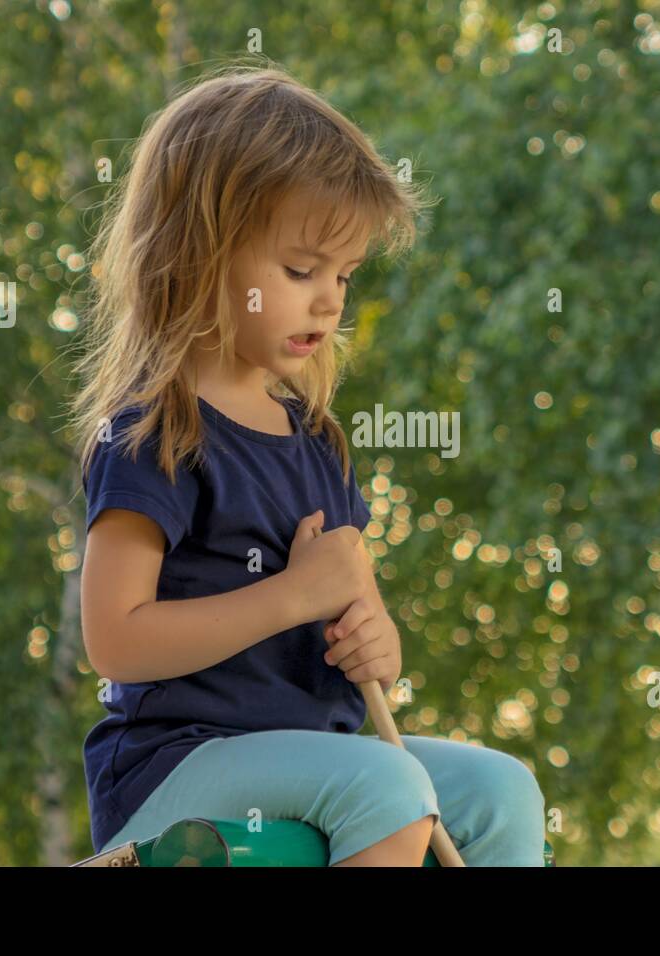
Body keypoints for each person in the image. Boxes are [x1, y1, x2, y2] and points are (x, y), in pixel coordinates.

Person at [67, 63, 546, 866]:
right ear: (198, 252)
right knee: (386, 790)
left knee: (502, 793)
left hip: (314, 754)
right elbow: (115, 640)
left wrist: (377, 641)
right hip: (172, 771)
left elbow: (362, 623)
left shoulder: (317, 441)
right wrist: (290, 595)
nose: (330, 300)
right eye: (300, 271)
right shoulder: (152, 432)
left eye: (344, 277)